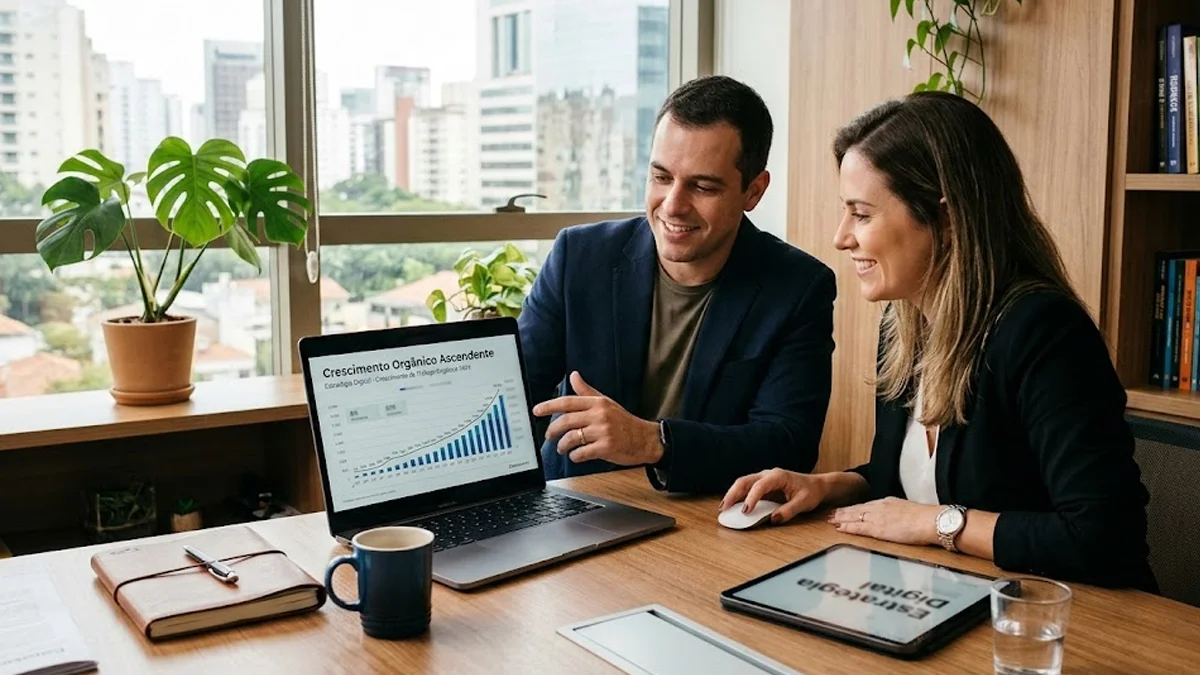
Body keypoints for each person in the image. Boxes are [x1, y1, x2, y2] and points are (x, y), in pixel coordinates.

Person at [721, 92, 1156, 590]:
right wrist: (823, 486)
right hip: (954, 594)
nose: (842, 237)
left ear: (946, 220)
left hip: (1075, 618)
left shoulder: (1045, 332)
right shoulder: (903, 322)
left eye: (861, 214)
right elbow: (902, 481)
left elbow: (1103, 536)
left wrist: (936, 524)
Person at [519, 75, 836, 494]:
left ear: (753, 191)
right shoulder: (578, 257)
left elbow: (789, 444)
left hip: (708, 521)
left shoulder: (798, 288)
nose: (672, 206)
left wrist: (655, 442)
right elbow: (516, 398)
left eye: (702, 186)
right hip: (578, 511)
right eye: (661, 177)